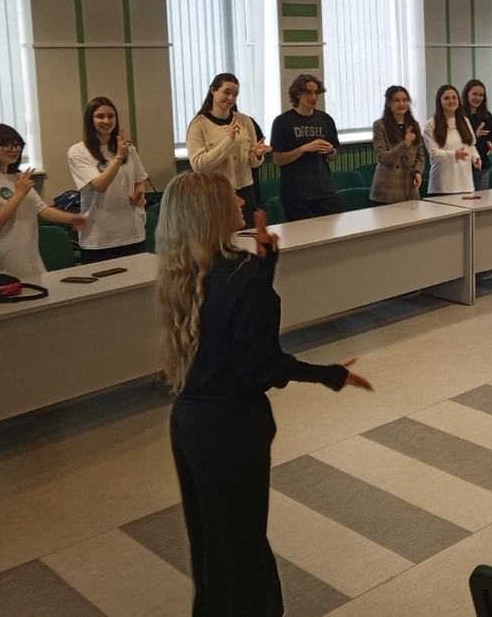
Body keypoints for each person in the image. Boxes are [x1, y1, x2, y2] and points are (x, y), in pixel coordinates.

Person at [156, 171, 371, 617]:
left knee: (212, 540)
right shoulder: (241, 278)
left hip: (191, 424)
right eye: (230, 196)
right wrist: (328, 374)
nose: (241, 200)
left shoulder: (185, 271)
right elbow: (261, 367)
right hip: (232, 430)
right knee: (244, 544)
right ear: (214, 211)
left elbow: (230, 325)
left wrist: (264, 263)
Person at [0, 124, 88, 277]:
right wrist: (19, 194)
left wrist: (72, 218)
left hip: (30, 261)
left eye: (17, 144)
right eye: (7, 145)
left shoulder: (18, 177)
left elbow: (41, 209)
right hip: (2, 267)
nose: (14, 149)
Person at [67, 97, 148, 263]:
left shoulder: (128, 148)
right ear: (90, 120)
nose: (106, 121)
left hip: (132, 232)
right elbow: (100, 185)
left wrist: (139, 195)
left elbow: (139, 181)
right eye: (100, 116)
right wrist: (118, 157)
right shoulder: (78, 151)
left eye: (111, 116)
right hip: (98, 237)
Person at [186, 73, 269, 226]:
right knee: (223, 234)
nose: (231, 98)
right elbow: (198, 165)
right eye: (226, 92)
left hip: (246, 190)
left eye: (235, 94)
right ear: (213, 90)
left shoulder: (245, 121)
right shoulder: (198, 125)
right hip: (217, 193)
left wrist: (257, 155)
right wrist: (229, 140)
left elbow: (252, 163)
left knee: (247, 232)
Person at [269, 74, 343, 222]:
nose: (313, 97)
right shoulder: (282, 122)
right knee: (301, 233)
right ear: (297, 94)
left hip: (324, 188)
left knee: (336, 226)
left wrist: (330, 150)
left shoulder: (326, 119)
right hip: (295, 192)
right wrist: (304, 149)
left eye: (316, 93)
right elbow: (278, 160)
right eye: (308, 92)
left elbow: (332, 156)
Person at [369, 86, 425, 204]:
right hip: (388, 188)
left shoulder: (414, 125)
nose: (402, 104)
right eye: (396, 100)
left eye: (405, 100)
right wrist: (405, 144)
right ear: (388, 103)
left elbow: (420, 156)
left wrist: (418, 172)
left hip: (409, 185)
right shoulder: (380, 125)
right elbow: (383, 157)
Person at [424, 85, 481, 195]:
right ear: (439, 101)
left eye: (454, 98)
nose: (451, 101)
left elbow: (471, 145)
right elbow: (433, 153)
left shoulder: (465, 121)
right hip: (442, 186)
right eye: (446, 98)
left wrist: (475, 157)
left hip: (466, 185)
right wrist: (454, 154)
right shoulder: (431, 124)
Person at [462, 79, 492, 191]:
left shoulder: (486, 116)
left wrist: (490, 143)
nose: (478, 98)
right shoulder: (460, 116)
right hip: (463, 166)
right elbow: (458, 141)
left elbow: (490, 137)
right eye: (474, 94)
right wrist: (475, 135)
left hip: (482, 165)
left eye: (481, 95)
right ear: (467, 94)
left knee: (482, 198)